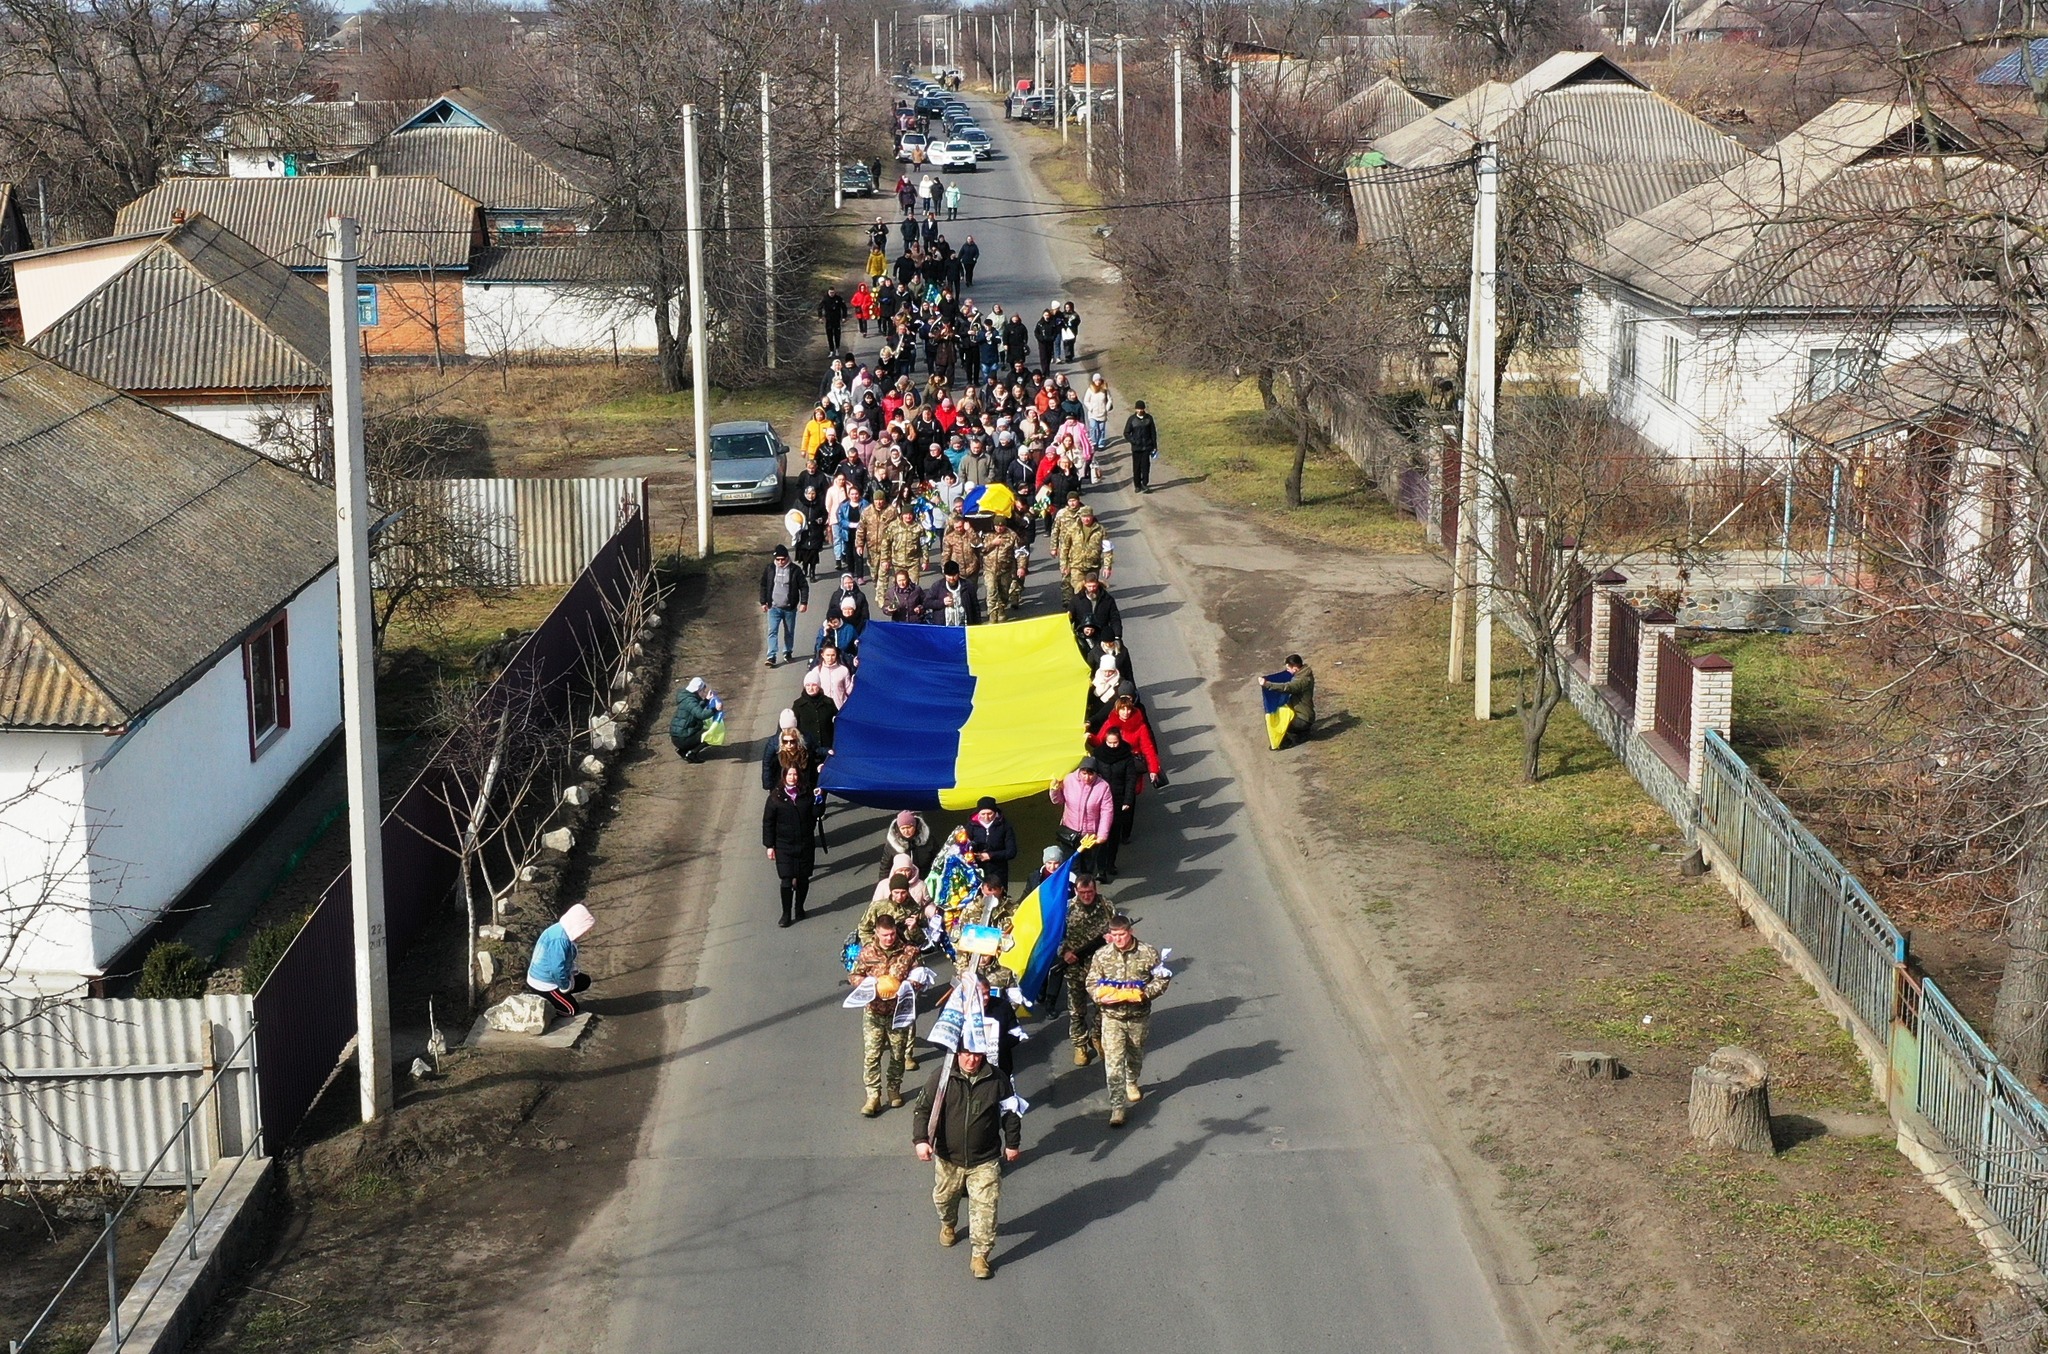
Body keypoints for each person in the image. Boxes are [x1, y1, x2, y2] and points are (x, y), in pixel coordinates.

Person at [912, 1042, 1020, 1280]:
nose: (972, 1060)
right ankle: (949, 1223)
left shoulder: (997, 1079)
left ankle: (980, 1256)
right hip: (949, 1158)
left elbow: (1011, 1113)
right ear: (958, 1053)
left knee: (986, 1207)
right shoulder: (941, 1078)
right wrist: (921, 1140)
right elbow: (922, 1109)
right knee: (944, 1199)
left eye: (977, 1055)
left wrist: (1012, 1143)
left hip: (985, 1159)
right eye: (966, 1054)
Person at [1085, 914, 1170, 1126]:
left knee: (1135, 1054)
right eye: (1114, 935)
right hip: (1111, 1017)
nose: (1118, 939)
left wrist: (1145, 993)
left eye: (1122, 934)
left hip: (1137, 1016)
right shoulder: (1102, 955)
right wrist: (1099, 995)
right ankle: (1117, 1107)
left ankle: (1132, 1080)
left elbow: (1162, 978)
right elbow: (1091, 982)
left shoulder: (1147, 953)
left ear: (1130, 932)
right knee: (1113, 1062)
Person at [850, 913, 921, 1115]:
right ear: (876, 933)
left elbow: (919, 974)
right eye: (884, 935)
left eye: (891, 934)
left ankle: (893, 1089)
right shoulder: (867, 952)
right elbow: (854, 974)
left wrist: (910, 984)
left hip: (898, 1013)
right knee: (872, 1055)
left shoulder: (908, 951)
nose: (888, 939)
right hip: (874, 1011)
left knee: (898, 1055)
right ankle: (873, 1096)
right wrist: (865, 984)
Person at [1058, 874, 1115, 1063]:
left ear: (1095, 889)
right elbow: (1055, 937)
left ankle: (1097, 1037)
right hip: (1075, 967)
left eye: (1090, 892)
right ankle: (1080, 1045)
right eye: (1082, 892)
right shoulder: (1067, 909)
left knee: (1103, 1006)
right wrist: (1065, 952)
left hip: (1101, 968)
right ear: (1075, 891)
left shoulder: (1106, 905)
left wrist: (1113, 938)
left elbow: (1117, 928)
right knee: (1076, 1010)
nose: (1087, 896)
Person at [763, 764, 818, 927]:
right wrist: (769, 846)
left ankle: (799, 908)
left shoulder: (807, 794)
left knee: (803, 879)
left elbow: (816, 814)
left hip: (805, 844)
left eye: (795, 775)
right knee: (786, 880)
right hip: (784, 846)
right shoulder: (775, 797)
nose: (792, 778)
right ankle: (786, 914)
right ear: (784, 776)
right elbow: (768, 823)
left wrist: (819, 800)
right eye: (789, 775)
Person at [526, 903, 595, 1017]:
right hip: (545, 983)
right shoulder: (559, 940)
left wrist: (571, 973)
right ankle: (548, 1004)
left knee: (584, 981)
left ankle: (559, 997)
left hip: (553, 977)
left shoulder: (564, 931)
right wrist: (565, 986)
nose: (586, 933)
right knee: (572, 1010)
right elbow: (556, 969)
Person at [1050, 757, 1115, 873]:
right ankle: (1073, 890)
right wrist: (1054, 790)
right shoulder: (1069, 780)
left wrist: (1102, 835)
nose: (1087, 778)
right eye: (1084, 774)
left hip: (1089, 836)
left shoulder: (1103, 787)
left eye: (1090, 774)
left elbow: (1107, 811)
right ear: (1079, 771)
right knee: (1070, 867)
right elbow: (1058, 801)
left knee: (1087, 868)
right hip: (1069, 833)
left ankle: (1084, 890)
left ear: (1096, 773)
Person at [759, 544, 810, 668]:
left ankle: (787, 652)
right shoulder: (770, 569)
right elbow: (764, 585)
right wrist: (763, 602)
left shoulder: (795, 570)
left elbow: (803, 586)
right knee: (772, 631)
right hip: (774, 607)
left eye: (783, 559)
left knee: (789, 631)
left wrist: (803, 603)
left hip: (789, 608)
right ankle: (771, 656)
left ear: (787, 558)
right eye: (778, 559)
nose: (781, 562)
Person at [1260, 654, 1317, 747]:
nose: (1287, 671)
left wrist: (1267, 684)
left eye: (1288, 669)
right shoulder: (1303, 673)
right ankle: (1303, 733)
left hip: (1303, 718)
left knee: (1281, 723)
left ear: (1295, 668)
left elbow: (1288, 687)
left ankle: (1285, 743)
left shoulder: (1302, 680)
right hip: (1306, 715)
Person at [963, 797, 1017, 893]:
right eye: (983, 814)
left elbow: (1011, 852)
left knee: (998, 900)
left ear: (995, 812)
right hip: (976, 870)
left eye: (989, 814)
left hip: (998, 871)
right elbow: (963, 848)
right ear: (978, 813)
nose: (986, 817)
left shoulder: (1005, 826)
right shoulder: (970, 826)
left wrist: (991, 856)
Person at [1068, 573, 1122, 660]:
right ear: (1084, 584)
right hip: (1082, 639)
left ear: (1098, 584)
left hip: (1101, 638)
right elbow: (1069, 619)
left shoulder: (1107, 600)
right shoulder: (1076, 600)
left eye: (1094, 586)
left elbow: (1115, 619)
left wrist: (1117, 636)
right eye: (1089, 586)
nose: (1092, 589)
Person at [669, 677, 718, 762]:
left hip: (676, 737)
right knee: (711, 733)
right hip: (683, 738)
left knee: (699, 730)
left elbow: (695, 709)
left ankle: (683, 750)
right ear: (698, 690)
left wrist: (706, 700)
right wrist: (715, 709)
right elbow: (701, 715)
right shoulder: (690, 701)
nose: (704, 692)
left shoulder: (686, 698)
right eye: (703, 690)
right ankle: (692, 753)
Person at [792, 671, 838, 755]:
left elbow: (837, 721)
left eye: (814, 685)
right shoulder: (798, 705)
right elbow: (794, 727)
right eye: (808, 685)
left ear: (819, 686)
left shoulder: (828, 702)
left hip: (828, 748)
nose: (810, 688)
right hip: (807, 750)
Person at [885, 808, 936, 874]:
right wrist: (883, 883)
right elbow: (885, 868)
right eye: (903, 828)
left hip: (925, 879)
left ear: (915, 826)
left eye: (909, 827)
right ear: (898, 828)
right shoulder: (892, 844)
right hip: (903, 882)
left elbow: (937, 859)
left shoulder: (929, 840)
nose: (906, 831)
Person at [1123, 400, 1158, 493]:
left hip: (1147, 447)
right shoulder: (1132, 419)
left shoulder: (1149, 419)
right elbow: (1126, 433)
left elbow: (1153, 433)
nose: (1140, 410)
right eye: (1138, 409)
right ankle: (1137, 485)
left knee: (1146, 467)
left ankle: (1144, 484)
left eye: (1141, 409)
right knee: (1137, 467)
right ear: (1135, 409)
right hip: (1136, 448)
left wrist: (1154, 446)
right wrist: (1133, 441)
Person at [1082, 374, 1113, 464]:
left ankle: (1101, 442)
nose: (1098, 382)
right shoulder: (1090, 390)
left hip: (1102, 413)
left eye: (1099, 380)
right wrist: (1090, 408)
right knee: (1093, 427)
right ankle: (1094, 442)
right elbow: (1086, 400)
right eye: (1096, 380)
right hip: (1093, 414)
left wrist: (1106, 408)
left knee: (1101, 429)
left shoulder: (1105, 389)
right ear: (1093, 381)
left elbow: (1110, 400)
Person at [820, 288, 849, 353]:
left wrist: (844, 317)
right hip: (828, 320)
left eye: (833, 292)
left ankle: (837, 349)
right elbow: (820, 308)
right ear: (828, 292)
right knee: (829, 335)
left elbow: (844, 307)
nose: (832, 294)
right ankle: (831, 350)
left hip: (836, 320)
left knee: (837, 335)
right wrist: (820, 317)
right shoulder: (825, 299)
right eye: (830, 292)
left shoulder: (838, 298)